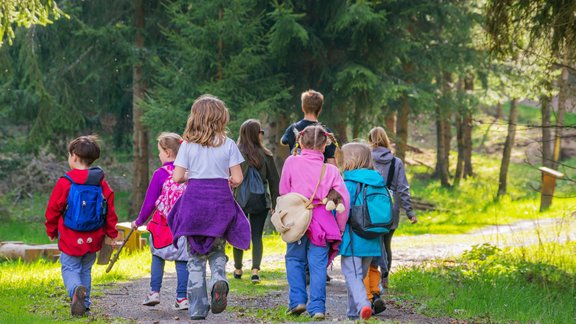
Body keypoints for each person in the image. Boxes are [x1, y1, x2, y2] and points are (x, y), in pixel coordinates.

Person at [167, 94, 251, 321]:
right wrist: (230, 181)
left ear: (195, 118)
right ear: (221, 119)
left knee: (195, 258)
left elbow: (176, 177)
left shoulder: (187, 146)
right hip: (219, 204)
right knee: (217, 251)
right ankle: (219, 280)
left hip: (194, 205)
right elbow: (238, 177)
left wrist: (189, 176)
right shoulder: (229, 144)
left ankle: (196, 309)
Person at [279, 125, 350, 319]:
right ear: (324, 145)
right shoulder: (331, 170)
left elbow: (284, 191)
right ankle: (317, 308)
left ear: (300, 142)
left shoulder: (291, 162)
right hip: (323, 223)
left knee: (294, 259)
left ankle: (297, 301)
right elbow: (345, 200)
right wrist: (341, 227)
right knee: (318, 265)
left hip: (297, 220)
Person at [45, 135, 118, 316]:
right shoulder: (100, 181)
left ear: (74, 157)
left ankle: (75, 291)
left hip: (70, 237)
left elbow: (53, 209)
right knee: (86, 269)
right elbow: (110, 209)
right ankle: (84, 304)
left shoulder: (66, 181)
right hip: (94, 237)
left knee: (70, 268)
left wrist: (51, 230)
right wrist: (111, 233)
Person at [132, 132, 190, 310]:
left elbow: (150, 202)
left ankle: (154, 292)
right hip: (183, 224)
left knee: (158, 256)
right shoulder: (188, 172)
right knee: (182, 260)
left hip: (161, 226)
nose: (159, 155)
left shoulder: (160, 173)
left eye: (159, 151)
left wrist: (140, 221)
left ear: (167, 152)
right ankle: (182, 298)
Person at [364, 126, 417, 313]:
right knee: (386, 244)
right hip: (389, 208)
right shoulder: (396, 162)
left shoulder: (366, 159)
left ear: (369, 139)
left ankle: (370, 280)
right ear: (386, 140)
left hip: (369, 208)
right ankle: (384, 278)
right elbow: (402, 189)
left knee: (371, 243)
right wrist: (409, 212)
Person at [340, 142, 387, 320]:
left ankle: (363, 305)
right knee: (358, 277)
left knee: (352, 275)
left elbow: (343, 211)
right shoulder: (377, 181)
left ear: (350, 160)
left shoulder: (349, 182)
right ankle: (353, 314)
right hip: (373, 239)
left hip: (353, 239)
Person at [232, 119, 280, 283]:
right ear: (255, 134)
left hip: (239, 201)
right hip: (260, 201)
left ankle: (238, 268)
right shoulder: (266, 155)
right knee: (257, 236)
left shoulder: (236, 154)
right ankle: (255, 271)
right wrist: (275, 203)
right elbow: (274, 180)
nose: (262, 134)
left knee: (238, 233)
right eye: (260, 131)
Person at [281, 89, 338, 165]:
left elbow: (283, 142)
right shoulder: (326, 132)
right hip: (318, 174)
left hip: (297, 173)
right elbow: (331, 162)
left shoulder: (293, 128)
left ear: (302, 108)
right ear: (320, 110)